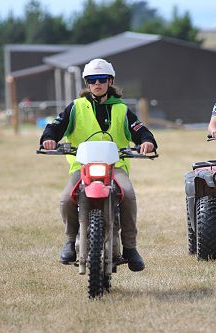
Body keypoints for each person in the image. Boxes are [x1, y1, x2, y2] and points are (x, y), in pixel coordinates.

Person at [40, 58, 157, 272]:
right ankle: (69, 240)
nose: (97, 84)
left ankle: (130, 248)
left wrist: (147, 142)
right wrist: (49, 138)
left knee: (129, 195)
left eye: (102, 79)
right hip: (82, 168)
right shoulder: (75, 108)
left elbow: (140, 130)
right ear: (87, 83)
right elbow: (55, 126)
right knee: (66, 198)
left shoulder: (122, 110)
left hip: (115, 168)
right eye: (92, 80)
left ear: (110, 81)